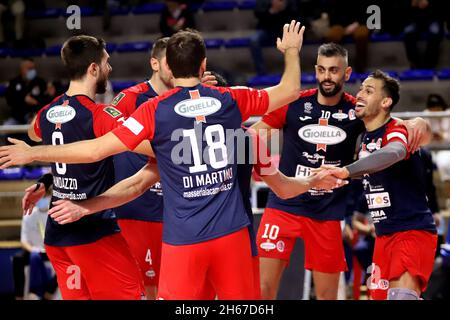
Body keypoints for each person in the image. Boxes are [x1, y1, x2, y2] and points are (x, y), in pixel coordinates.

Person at [0, 21, 306, 299]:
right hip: (232, 234)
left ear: (168, 68)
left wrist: (32, 154)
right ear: (203, 66)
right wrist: (291, 51)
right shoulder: (232, 99)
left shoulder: (153, 111)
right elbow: (291, 90)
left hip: (181, 236)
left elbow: (94, 151)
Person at [250, 42, 431, 300]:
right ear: (315, 71)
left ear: (346, 74)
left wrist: (418, 122)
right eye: (322, 70)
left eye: (334, 70)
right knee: (262, 289)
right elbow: (250, 136)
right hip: (284, 205)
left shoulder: (357, 110)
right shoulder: (294, 103)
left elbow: (393, 125)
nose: (327, 76)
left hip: (327, 212)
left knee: (327, 295)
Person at [19, 35, 146, 300]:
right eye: (106, 62)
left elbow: (34, 134)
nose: (109, 69)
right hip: (93, 233)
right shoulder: (99, 115)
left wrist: (46, 181)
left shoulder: (47, 112)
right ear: (93, 68)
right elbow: (149, 146)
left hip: (57, 236)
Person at [323, 70, 437, 300]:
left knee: (401, 297)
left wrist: (347, 171)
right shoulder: (364, 136)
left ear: (386, 102)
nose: (360, 94)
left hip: (411, 231)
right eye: (361, 89)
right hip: (384, 236)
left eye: (369, 90)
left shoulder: (397, 129)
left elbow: (395, 151)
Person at [12, 194, 58, 300]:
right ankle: (20, 295)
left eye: (45, 197)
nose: (43, 200)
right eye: (41, 197)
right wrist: (33, 250)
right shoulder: (28, 215)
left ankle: (49, 290)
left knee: (69, 258)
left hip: (50, 249)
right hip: (33, 250)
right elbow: (23, 241)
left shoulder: (54, 215)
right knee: (18, 259)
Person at [4, 58, 52, 125]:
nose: (32, 71)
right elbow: (9, 100)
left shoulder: (40, 82)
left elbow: (46, 100)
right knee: (5, 129)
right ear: (22, 69)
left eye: (33, 68)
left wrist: (36, 102)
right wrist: (23, 99)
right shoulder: (13, 82)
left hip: (35, 116)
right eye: (29, 68)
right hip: (17, 117)